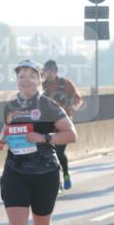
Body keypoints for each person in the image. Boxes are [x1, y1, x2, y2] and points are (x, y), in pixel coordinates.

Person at [0, 59, 77, 225]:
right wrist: (1, 141)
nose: (26, 80)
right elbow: (8, 130)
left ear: (40, 79)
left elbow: (71, 134)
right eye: (21, 75)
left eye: (31, 75)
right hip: (15, 171)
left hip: (44, 173)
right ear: (17, 80)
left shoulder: (49, 106)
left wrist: (44, 138)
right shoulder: (10, 106)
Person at [41, 59, 83, 190]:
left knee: (59, 152)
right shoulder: (42, 86)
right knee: (48, 153)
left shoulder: (65, 84)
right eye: (45, 72)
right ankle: (55, 180)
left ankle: (65, 173)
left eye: (49, 71)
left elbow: (78, 98)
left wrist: (73, 107)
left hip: (64, 123)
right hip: (47, 123)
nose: (47, 74)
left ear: (55, 72)